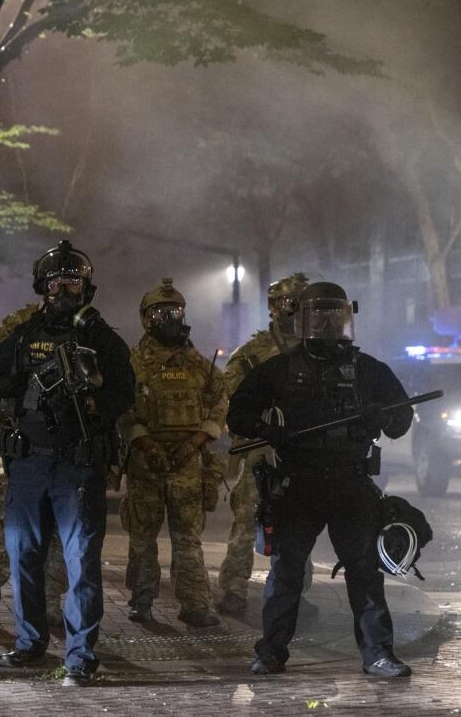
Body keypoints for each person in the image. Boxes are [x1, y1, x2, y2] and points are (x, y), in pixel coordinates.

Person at [228, 281, 414, 677]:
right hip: (299, 484)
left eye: (336, 316)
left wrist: (382, 415)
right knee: (286, 572)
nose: (329, 325)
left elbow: (402, 420)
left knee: (364, 571)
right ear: (302, 319)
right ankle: (271, 651)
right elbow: (238, 413)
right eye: (319, 316)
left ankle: (378, 653)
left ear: (348, 317)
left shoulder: (368, 370)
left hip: (351, 484)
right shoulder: (280, 368)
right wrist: (268, 429)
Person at [0, 240, 134, 686]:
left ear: (86, 287)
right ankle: (30, 645)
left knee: (81, 562)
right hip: (28, 465)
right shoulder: (25, 334)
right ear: (42, 288)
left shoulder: (102, 339)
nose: (63, 289)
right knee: (23, 556)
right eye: (55, 281)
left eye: (72, 280)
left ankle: (81, 656)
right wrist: (20, 375)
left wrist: (90, 404)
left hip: (77, 467)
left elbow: (125, 393)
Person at [120, 279, 226, 627]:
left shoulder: (198, 365)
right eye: (160, 312)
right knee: (142, 539)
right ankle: (142, 600)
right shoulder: (133, 364)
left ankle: (196, 604)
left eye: (175, 312)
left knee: (188, 539)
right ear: (146, 318)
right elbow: (122, 412)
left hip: (187, 465)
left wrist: (194, 444)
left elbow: (218, 407)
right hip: (145, 464)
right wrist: (148, 445)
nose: (169, 318)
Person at [217, 273, 314, 616]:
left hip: (302, 450)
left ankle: (294, 594)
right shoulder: (254, 352)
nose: (295, 311)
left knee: (300, 522)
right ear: (273, 308)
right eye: (290, 303)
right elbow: (229, 393)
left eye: (302, 304)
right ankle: (232, 589)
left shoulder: (315, 347)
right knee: (246, 518)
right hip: (260, 447)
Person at [0, 303, 67, 631]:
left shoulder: (79, 326)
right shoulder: (19, 326)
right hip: (23, 447)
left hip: (61, 449)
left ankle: (50, 600)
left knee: (56, 535)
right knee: (5, 533)